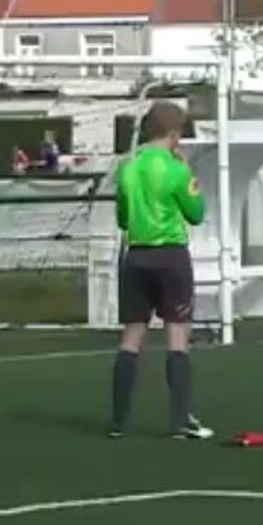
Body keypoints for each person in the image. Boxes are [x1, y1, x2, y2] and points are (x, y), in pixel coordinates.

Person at [110, 101, 212, 440]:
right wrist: (189, 177)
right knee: (177, 337)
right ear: (173, 134)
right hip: (170, 256)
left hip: (136, 256)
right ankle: (181, 419)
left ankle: (117, 421)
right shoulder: (176, 169)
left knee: (131, 337)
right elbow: (196, 213)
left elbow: (123, 218)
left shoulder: (128, 167)